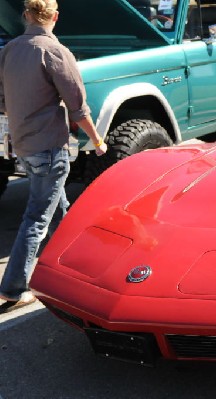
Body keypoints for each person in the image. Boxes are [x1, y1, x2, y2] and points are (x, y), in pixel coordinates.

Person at [0, 0, 107, 309]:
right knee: (36, 218)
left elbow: (4, 100)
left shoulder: (9, 51)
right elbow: (78, 107)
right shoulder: (55, 51)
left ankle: (75, 267)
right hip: (49, 147)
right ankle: (13, 289)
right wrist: (98, 141)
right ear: (55, 17)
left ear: (25, 16)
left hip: (23, 145)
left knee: (60, 209)